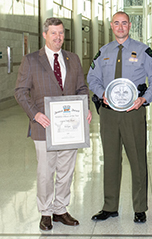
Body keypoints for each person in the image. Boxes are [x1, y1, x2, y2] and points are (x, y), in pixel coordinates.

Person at [14, 17, 92, 231]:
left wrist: (85, 107)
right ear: (45, 35)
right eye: (54, 33)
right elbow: (20, 92)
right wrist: (35, 114)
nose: (58, 37)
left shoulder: (73, 59)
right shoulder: (31, 60)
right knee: (45, 172)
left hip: (70, 128)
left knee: (66, 171)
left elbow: (81, 88)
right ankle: (45, 212)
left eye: (61, 33)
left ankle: (60, 209)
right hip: (44, 126)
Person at [87, 11, 152, 223]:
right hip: (109, 114)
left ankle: (139, 208)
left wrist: (144, 99)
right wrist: (102, 94)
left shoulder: (143, 50)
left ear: (130, 25)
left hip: (133, 113)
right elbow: (92, 78)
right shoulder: (104, 52)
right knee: (110, 160)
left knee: (137, 159)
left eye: (124, 23)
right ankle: (110, 206)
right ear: (112, 26)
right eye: (117, 23)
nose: (120, 27)